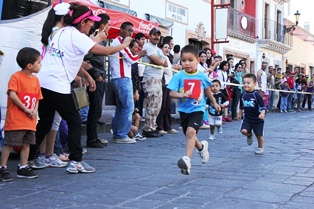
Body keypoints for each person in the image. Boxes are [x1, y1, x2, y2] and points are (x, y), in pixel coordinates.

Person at [35, 3, 132, 174]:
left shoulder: (59, 32)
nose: (92, 25)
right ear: (82, 22)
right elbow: (105, 51)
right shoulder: (75, 35)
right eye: (90, 22)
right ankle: (76, 161)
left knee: (45, 122)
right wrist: (124, 45)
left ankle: (31, 159)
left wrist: (87, 75)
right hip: (57, 84)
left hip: (44, 82)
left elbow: (77, 54)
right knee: (74, 121)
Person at [167, 45, 220, 175]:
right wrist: (182, 95)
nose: (186, 63)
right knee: (189, 134)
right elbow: (171, 93)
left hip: (198, 109)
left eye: (190, 60)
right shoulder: (179, 76)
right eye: (183, 60)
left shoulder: (201, 76)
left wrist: (213, 102)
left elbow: (207, 89)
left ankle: (187, 160)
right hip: (184, 110)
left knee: (191, 132)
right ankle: (202, 147)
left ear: (197, 60)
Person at [0, 47, 42, 181]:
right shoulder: (16, 77)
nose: (40, 65)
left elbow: (37, 98)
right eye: (39, 62)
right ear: (30, 65)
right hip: (16, 119)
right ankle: (2, 167)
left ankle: (23, 166)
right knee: (10, 143)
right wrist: (26, 109)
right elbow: (12, 94)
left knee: (27, 143)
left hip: (29, 119)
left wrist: (34, 110)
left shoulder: (35, 80)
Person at [109, 22, 146, 144]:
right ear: (122, 30)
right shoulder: (121, 42)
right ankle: (121, 134)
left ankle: (118, 133)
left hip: (120, 77)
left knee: (121, 107)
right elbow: (132, 58)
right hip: (122, 78)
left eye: (132, 31)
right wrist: (140, 54)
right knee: (128, 107)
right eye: (128, 30)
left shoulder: (119, 42)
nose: (130, 33)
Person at [84, 13, 111, 148]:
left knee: (97, 109)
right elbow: (86, 58)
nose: (109, 28)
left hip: (101, 76)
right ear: (102, 26)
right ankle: (91, 139)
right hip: (95, 78)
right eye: (108, 26)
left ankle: (94, 136)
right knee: (94, 109)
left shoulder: (102, 39)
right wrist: (95, 74)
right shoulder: (92, 39)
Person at [142, 28, 168, 138]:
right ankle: (148, 128)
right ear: (149, 36)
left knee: (157, 104)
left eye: (158, 35)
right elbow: (159, 61)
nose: (156, 37)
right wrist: (158, 62)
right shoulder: (148, 47)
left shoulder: (157, 49)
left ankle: (152, 126)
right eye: (154, 35)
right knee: (151, 103)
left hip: (158, 78)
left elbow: (165, 63)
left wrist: (158, 62)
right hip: (150, 78)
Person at [237, 73, 266, 155]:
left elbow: (263, 106)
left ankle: (260, 147)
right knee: (243, 131)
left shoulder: (256, 95)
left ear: (254, 84)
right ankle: (249, 134)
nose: (246, 85)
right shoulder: (242, 95)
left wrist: (262, 114)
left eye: (248, 83)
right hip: (247, 119)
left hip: (257, 119)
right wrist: (239, 113)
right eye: (244, 83)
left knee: (259, 135)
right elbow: (241, 106)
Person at [156, 42, 178, 135]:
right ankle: (159, 126)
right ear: (161, 48)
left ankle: (167, 126)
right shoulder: (160, 57)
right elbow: (163, 69)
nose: (167, 49)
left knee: (168, 106)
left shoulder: (167, 58)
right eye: (165, 47)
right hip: (163, 84)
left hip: (169, 84)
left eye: (169, 48)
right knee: (163, 106)